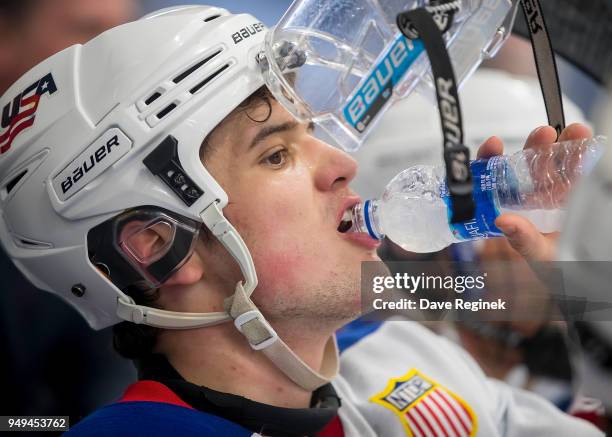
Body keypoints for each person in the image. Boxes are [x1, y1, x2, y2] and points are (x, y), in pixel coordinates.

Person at [0, 5, 602, 436]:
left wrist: (589, 298)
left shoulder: (395, 360)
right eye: (277, 154)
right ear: (158, 246)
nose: (343, 164)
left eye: (312, 132)